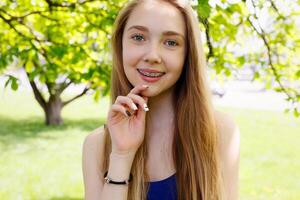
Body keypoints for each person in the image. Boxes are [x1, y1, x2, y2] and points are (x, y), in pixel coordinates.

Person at [82, 0, 240, 199]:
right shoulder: (97, 145)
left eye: (171, 42)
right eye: (138, 37)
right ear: (120, 44)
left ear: (187, 55)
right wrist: (121, 156)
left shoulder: (219, 132)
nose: (152, 56)